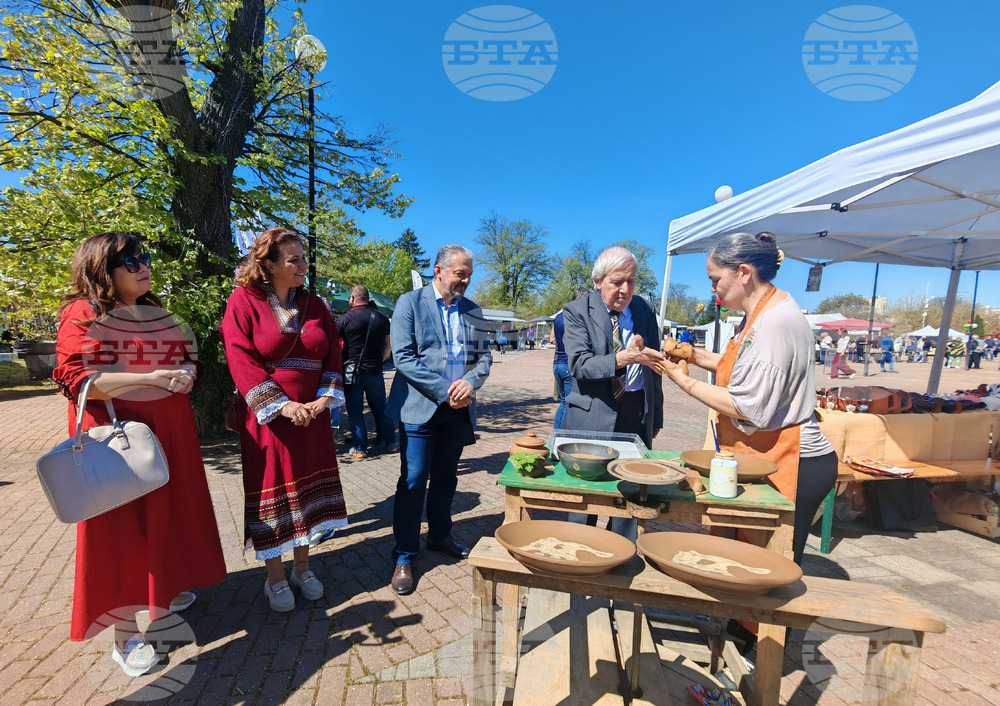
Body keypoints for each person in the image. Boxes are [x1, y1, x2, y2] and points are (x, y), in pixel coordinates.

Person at [51, 232, 226, 677]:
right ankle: (125, 635)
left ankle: (164, 588)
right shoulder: (83, 313)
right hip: (120, 441)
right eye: (131, 261)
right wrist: (150, 376)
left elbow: (184, 358)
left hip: (169, 434)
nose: (144, 266)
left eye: (145, 257)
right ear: (101, 271)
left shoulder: (154, 309)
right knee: (121, 531)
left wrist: (186, 371)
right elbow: (79, 381)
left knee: (169, 514)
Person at [659, 232, 838, 565]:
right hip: (766, 453)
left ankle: (761, 618)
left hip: (793, 460)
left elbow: (748, 407)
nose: (712, 289)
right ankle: (734, 618)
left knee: (767, 566)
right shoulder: (760, 312)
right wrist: (693, 355)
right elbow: (737, 364)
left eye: (716, 279)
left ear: (743, 273)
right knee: (742, 558)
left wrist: (683, 381)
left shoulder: (774, 321)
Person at [221, 228, 348, 612]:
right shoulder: (244, 300)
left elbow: (333, 355)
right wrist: (281, 405)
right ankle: (274, 576)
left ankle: (303, 567)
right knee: (274, 493)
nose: (302, 266)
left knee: (308, 495)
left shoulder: (317, 305)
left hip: (314, 417)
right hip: (270, 419)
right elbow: (239, 356)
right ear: (269, 264)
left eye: (303, 258)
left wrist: (326, 397)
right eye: (293, 260)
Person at [386, 245, 493, 595]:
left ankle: (439, 535)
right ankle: (404, 554)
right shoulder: (410, 303)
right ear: (439, 270)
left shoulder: (473, 311)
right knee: (414, 479)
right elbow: (403, 357)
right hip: (421, 407)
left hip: (458, 409)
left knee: (447, 476)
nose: (465, 280)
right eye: (460, 273)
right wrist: (447, 389)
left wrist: (470, 383)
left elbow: (484, 359)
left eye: (469, 275)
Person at [563, 246, 665, 540]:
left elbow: (654, 367)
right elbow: (579, 365)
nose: (625, 289)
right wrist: (624, 358)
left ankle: (621, 556)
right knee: (585, 500)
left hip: (634, 412)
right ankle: (577, 558)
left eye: (631, 281)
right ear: (598, 280)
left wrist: (654, 415)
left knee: (632, 494)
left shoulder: (644, 309)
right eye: (617, 282)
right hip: (592, 414)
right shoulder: (577, 311)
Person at [336, 285, 396, 458]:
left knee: (355, 411)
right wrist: (379, 361)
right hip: (375, 371)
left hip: (351, 373)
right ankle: (391, 443)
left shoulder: (344, 319)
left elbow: (332, 342)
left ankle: (360, 449)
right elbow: (388, 346)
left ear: (353, 298)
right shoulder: (382, 318)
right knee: (381, 408)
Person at [552, 287, 591, 430]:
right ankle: (559, 435)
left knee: (564, 402)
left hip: (557, 363)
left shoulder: (559, 317)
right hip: (568, 364)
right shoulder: (574, 317)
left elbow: (552, 338)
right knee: (568, 403)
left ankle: (557, 433)